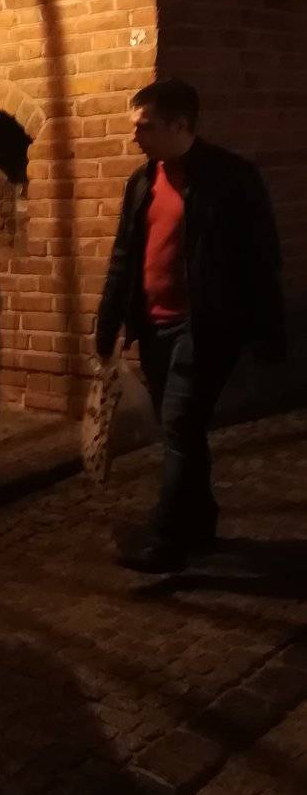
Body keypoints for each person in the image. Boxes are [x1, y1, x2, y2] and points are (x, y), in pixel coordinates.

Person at [95, 77, 285, 572]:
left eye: (146, 126)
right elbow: (124, 256)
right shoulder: (141, 182)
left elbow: (262, 257)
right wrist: (108, 323)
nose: (136, 136)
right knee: (184, 428)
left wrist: (265, 332)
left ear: (181, 125)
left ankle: (167, 538)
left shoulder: (230, 178)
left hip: (204, 326)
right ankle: (200, 521)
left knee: (179, 423)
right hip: (154, 325)